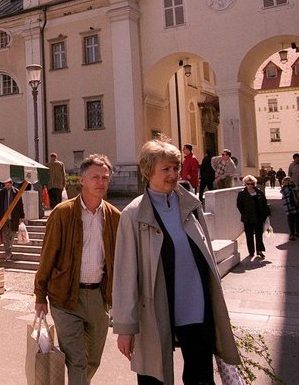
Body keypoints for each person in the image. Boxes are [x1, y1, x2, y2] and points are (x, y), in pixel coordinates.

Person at [113, 139, 240, 384]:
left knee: (201, 376)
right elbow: (125, 274)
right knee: (154, 376)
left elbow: (208, 258)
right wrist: (125, 327)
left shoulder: (190, 205)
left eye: (175, 168)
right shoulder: (133, 215)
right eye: (166, 169)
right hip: (155, 309)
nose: (173, 174)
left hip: (196, 306)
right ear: (148, 171)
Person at [34, 154, 121, 385]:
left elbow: (119, 262)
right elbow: (47, 256)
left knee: (93, 360)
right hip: (65, 298)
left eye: (105, 177)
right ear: (81, 180)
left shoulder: (114, 216)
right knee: (77, 360)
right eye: (94, 177)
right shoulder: (63, 213)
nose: (100, 182)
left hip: (98, 298)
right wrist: (40, 295)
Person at [236, 175, 271, 259]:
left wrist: (265, 215)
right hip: (247, 218)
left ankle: (259, 250)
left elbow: (264, 203)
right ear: (245, 184)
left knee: (259, 235)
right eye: (248, 183)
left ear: (254, 183)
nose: (250, 185)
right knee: (249, 235)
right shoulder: (242, 194)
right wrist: (244, 213)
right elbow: (239, 205)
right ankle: (251, 251)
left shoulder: (259, 192)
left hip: (259, 217)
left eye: (252, 183)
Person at [0, 180, 24, 261]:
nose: (7, 185)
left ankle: (8, 251)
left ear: (11, 184)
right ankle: (8, 253)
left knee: (12, 234)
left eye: (8, 184)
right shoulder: (1, 193)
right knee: (4, 235)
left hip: (14, 217)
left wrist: (22, 215)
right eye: (6, 184)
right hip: (3, 217)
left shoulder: (16, 192)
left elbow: (20, 204)